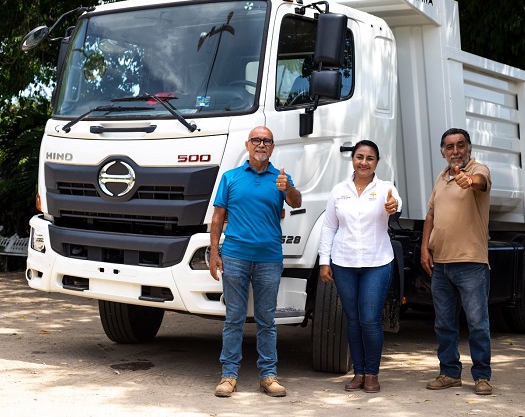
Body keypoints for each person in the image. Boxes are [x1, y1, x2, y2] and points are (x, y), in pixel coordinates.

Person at [209, 126, 302, 398]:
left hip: (269, 259)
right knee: (234, 318)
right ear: (248, 144)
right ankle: (228, 376)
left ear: (272, 147)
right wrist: (214, 253)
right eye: (256, 140)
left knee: (266, 320)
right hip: (235, 256)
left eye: (267, 141)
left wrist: (290, 188)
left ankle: (268, 376)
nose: (261, 144)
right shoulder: (231, 177)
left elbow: (296, 203)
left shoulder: (281, 178)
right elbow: (217, 218)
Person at [318, 140, 402, 393]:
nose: (364, 162)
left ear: (377, 162)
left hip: (377, 262)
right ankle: (359, 373)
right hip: (343, 262)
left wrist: (393, 207)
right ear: (352, 159)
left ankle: (372, 374)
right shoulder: (339, 190)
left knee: (369, 319)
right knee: (353, 320)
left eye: (370, 158)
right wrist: (324, 261)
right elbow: (329, 226)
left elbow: (395, 205)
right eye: (359, 157)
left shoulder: (386, 188)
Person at [420, 127, 493, 396]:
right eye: (449, 147)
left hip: (471, 263)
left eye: (460, 145)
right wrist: (424, 250)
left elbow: (480, 182)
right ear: (443, 152)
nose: (455, 151)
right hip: (441, 264)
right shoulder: (441, 178)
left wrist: (469, 181)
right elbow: (430, 216)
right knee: (444, 323)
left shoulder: (478, 169)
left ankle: (482, 377)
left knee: (477, 323)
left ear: (469, 149)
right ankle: (449, 373)